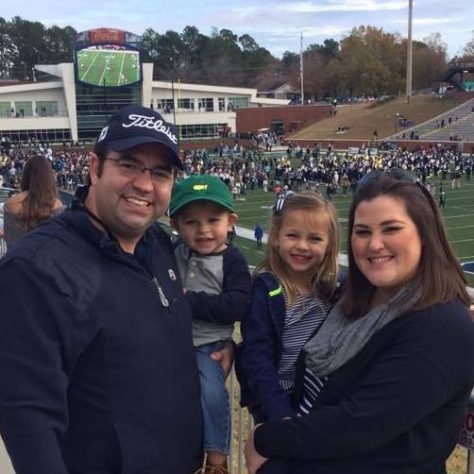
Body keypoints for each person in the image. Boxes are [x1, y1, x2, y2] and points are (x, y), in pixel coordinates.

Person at [0, 105, 231, 473]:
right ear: (95, 168)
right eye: (128, 165)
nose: (144, 184)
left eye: (160, 172)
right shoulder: (36, 269)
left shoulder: (156, 243)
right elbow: (28, 418)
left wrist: (218, 348)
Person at [245, 171, 474, 474]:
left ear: (425, 232)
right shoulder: (349, 297)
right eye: (363, 231)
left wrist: (266, 438)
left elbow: (359, 424)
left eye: (390, 229)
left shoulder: (441, 325)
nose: (374, 244)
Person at [169, 175, 252, 474]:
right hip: (172, 343)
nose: (203, 230)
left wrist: (189, 301)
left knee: (212, 392)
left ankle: (217, 459)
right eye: (191, 222)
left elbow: (238, 304)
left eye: (213, 220)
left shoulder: (232, 260)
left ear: (230, 221)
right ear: (176, 224)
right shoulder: (171, 251)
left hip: (208, 345)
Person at [236, 191, 340, 424]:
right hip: (278, 398)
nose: (302, 246)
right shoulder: (266, 289)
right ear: (275, 237)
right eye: (293, 235)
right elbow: (257, 357)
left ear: (329, 244)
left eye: (314, 239)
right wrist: (279, 412)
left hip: (318, 397)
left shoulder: (331, 289)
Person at [3, 155, 64, 249]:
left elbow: (10, 240)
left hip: (15, 262)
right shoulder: (57, 206)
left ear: (25, 176)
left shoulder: (11, 206)